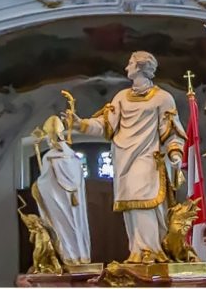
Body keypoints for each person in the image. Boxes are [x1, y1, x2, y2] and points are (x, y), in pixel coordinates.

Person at [65, 51, 187, 264]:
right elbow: (106, 125)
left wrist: (175, 153)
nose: (126, 67)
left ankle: (153, 251)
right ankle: (138, 252)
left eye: (130, 63)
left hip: (147, 157)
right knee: (131, 206)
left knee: (144, 200)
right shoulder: (121, 97)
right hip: (123, 158)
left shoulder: (162, 98)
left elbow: (170, 129)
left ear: (141, 67)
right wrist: (79, 124)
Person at [25, 114, 93, 272]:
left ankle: (68, 257)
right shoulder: (74, 158)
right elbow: (77, 184)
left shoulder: (49, 157)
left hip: (58, 203)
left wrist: (37, 185)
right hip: (74, 202)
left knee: (62, 229)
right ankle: (81, 256)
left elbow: (46, 183)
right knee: (77, 226)